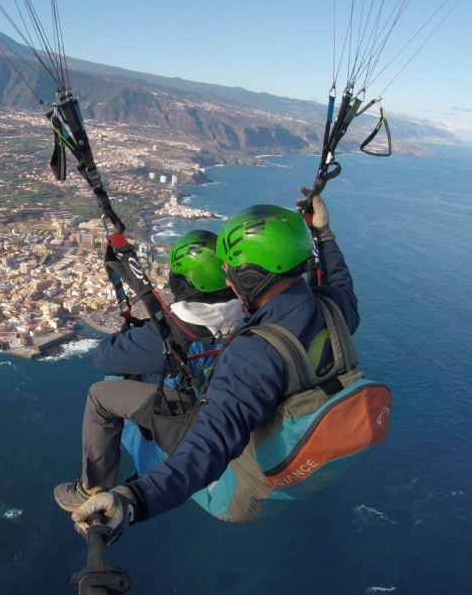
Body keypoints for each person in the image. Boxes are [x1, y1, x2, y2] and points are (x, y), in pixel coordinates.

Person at [62, 196, 360, 542]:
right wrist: (324, 235)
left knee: (107, 389)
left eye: (233, 274)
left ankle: (92, 485)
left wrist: (134, 500)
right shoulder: (333, 309)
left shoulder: (253, 353)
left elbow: (212, 445)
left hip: (231, 491)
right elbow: (341, 285)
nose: (229, 283)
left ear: (251, 276)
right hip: (303, 463)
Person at [53, 229, 246, 511]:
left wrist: (136, 334)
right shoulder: (251, 315)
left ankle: (89, 488)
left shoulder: (171, 333)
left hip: (190, 421)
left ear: (181, 283)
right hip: (221, 409)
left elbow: (106, 357)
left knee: (101, 393)